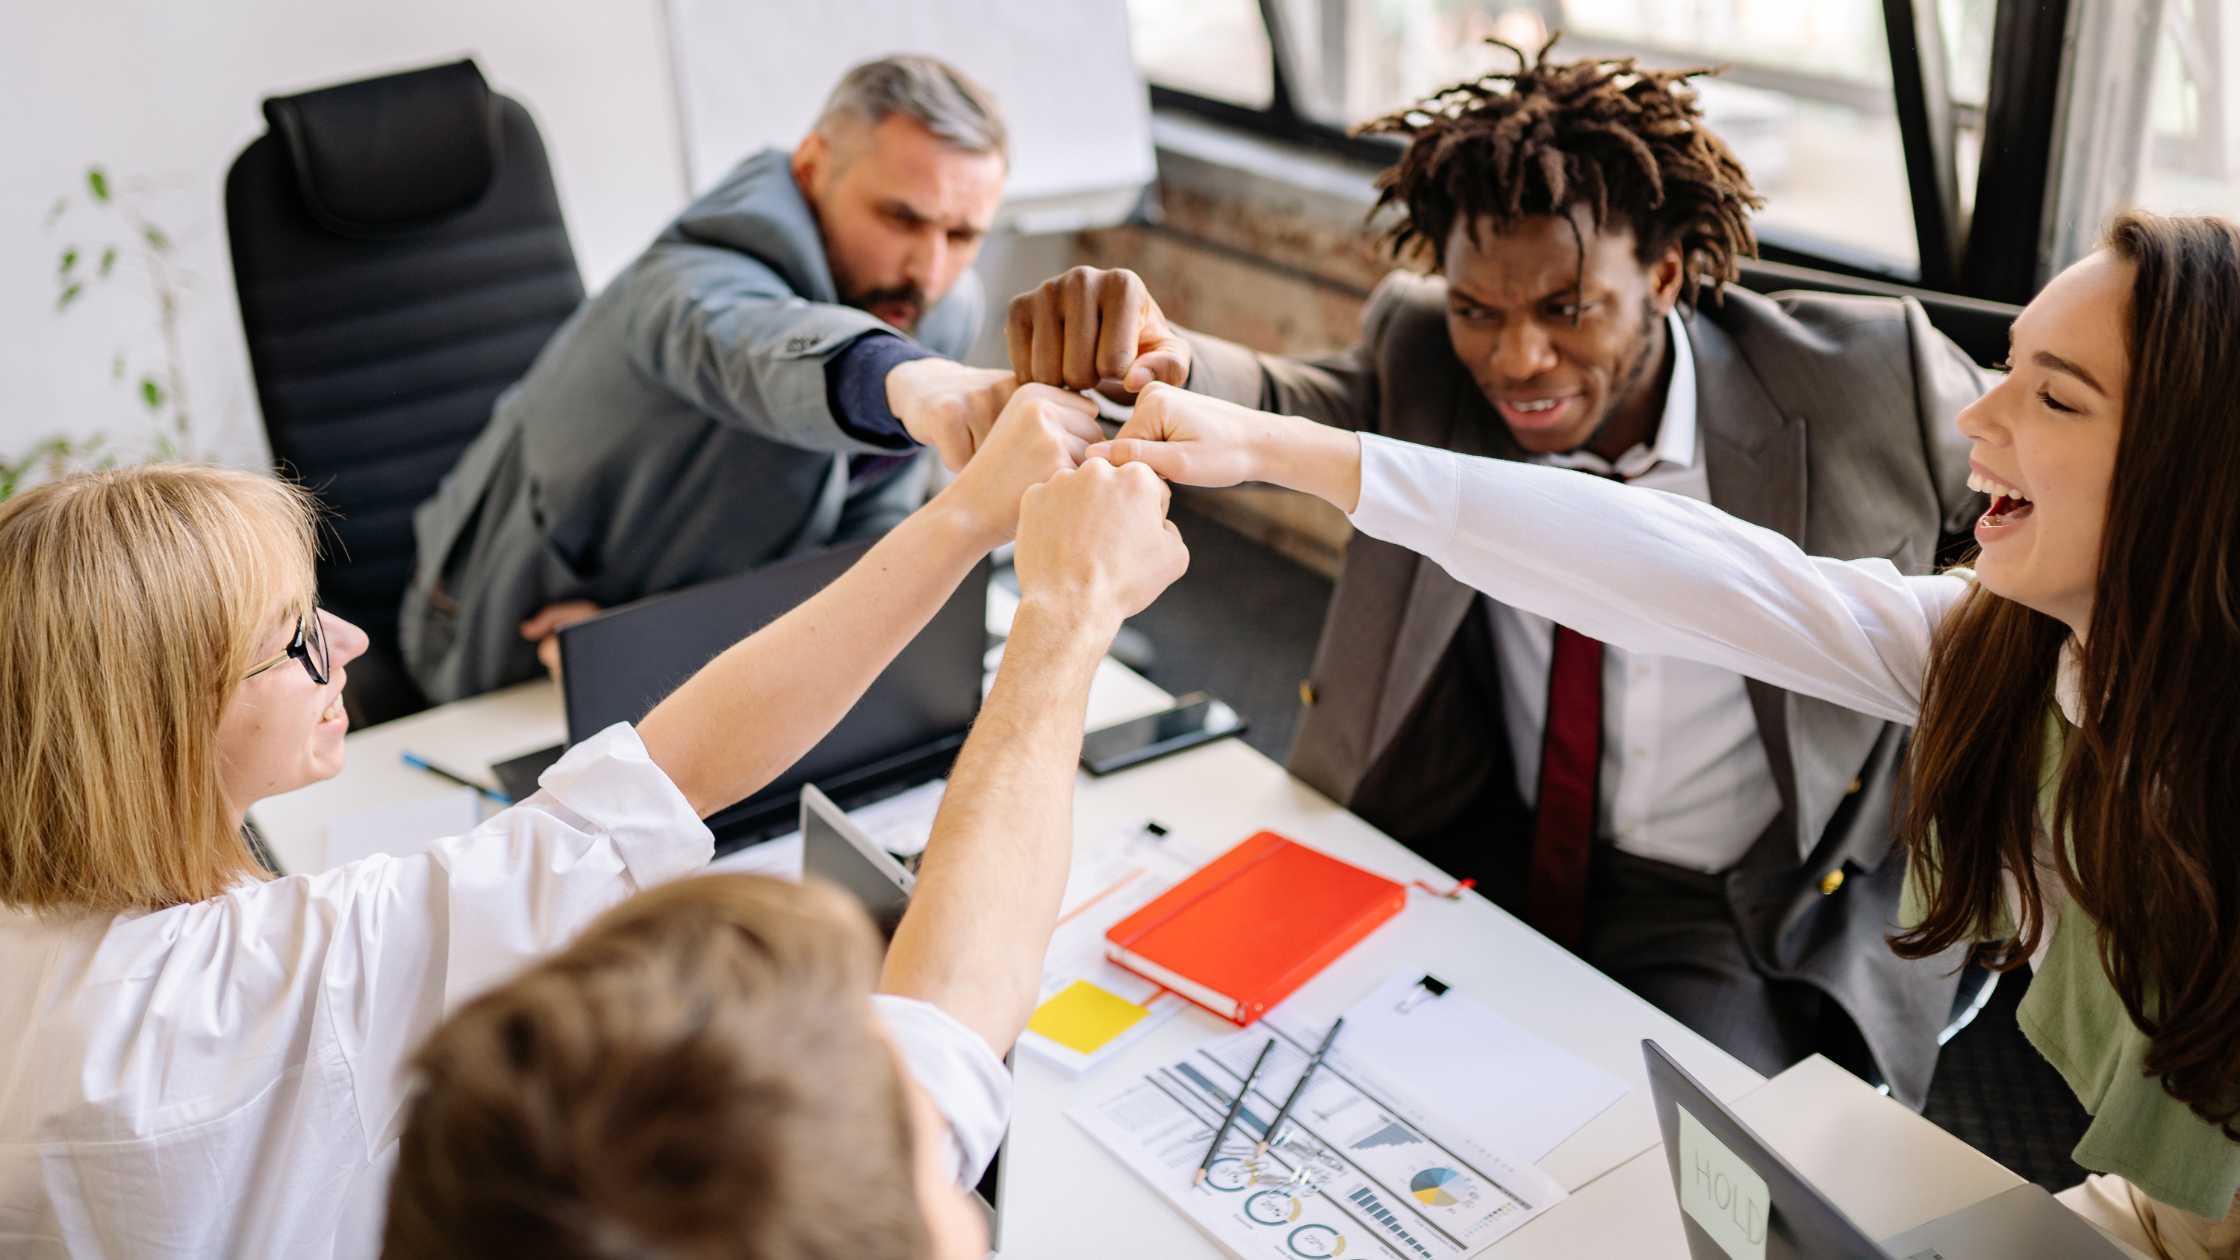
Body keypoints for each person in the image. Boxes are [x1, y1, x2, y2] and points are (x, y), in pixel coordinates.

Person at [1084, 209, 2240, 1257]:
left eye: (2053, 395)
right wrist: (1271, 450)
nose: (1973, 413)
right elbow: (1677, 569)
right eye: (2003, 366)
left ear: (2187, 470)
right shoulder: (2002, 651)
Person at [1004, 38, 1986, 1102]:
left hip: (1736, 898)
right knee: (1257, 1074)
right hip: (1484, 829)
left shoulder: (1866, 378)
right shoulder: (1422, 348)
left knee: (1683, 1168)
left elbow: (2054, 536)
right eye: (1479, 311)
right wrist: (1172, 359)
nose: (1515, 359)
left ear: (1661, 276)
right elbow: (1291, 404)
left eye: (1565, 310)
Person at [0, 384, 1120, 1259]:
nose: (349, 645)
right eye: (294, 640)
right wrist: (1007, 548)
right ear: (156, 727)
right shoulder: (285, 984)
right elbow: (677, 774)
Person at [380, 457, 1187, 1260]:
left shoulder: (736, 1201)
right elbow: (960, 1001)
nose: (966, 1207)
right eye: (922, 1171)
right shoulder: (833, 1200)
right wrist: (1073, 607)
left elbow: (949, 1011)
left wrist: (975, 514)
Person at [402, 54, 1026, 702]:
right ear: (813, 168)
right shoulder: (689, 279)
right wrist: (902, 380)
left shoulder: (935, 309)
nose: (926, 271)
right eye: (901, 219)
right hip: (508, 632)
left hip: (687, 640)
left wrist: (672, 639)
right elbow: (752, 345)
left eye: (961, 234)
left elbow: (865, 536)